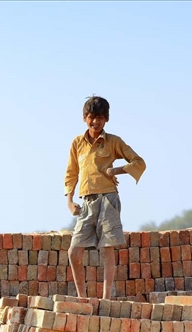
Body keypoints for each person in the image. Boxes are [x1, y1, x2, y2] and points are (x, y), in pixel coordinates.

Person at [64, 95, 146, 299]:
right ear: (85, 118)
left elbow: (139, 162)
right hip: (87, 201)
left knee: (107, 249)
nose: (96, 122)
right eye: (92, 117)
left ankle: (106, 299)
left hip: (109, 200)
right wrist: (69, 200)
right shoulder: (77, 143)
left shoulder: (113, 142)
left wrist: (116, 170)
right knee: (74, 252)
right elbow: (71, 173)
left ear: (107, 119)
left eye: (100, 117)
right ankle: (83, 298)